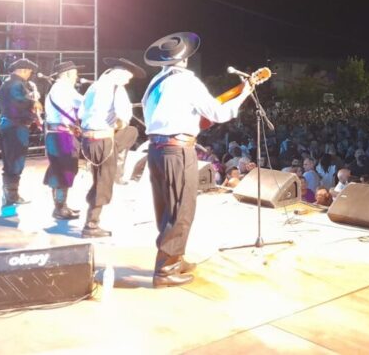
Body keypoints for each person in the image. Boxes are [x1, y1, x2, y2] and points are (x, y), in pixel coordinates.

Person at [142, 32, 252, 288]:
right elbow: (219, 113)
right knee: (181, 208)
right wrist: (244, 93)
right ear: (185, 58)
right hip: (178, 151)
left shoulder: (155, 82)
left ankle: (174, 258)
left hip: (156, 149)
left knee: (166, 208)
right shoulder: (187, 82)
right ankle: (166, 270)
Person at [79, 57, 144, 238]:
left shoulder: (94, 86)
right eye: (128, 77)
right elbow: (123, 116)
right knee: (103, 182)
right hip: (103, 141)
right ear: (121, 73)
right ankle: (91, 225)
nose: (128, 81)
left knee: (98, 179)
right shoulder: (117, 88)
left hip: (87, 141)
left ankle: (117, 168)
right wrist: (116, 126)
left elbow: (81, 113)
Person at [42, 60, 84, 220]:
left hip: (55, 134)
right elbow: (84, 104)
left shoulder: (57, 88)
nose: (76, 78)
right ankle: (60, 208)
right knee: (65, 169)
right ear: (67, 74)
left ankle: (61, 206)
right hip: (62, 135)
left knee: (59, 169)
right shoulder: (64, 88)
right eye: (74, 74)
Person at [0, 58, 40, 208]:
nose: (30, 75)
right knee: (15, 161)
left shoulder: (8, 83)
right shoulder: (16, 84)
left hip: (10, 125)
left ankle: (10, 193)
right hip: (15, 127)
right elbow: (18, 103)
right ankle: (12, 195)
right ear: (23, 70)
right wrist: (33, 103)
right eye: (29, 72)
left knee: (10, 160)